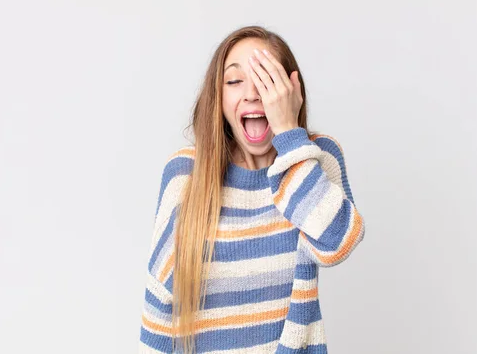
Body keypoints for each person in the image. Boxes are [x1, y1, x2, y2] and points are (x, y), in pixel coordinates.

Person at [138, 25, 366, 354]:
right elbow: (159, 300)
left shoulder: (314, 159)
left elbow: (338, 242)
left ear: (290, 90)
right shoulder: (185, 173)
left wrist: (289, 133)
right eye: (234, 80)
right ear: (218, 96)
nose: (252, 93)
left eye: (265, 79)